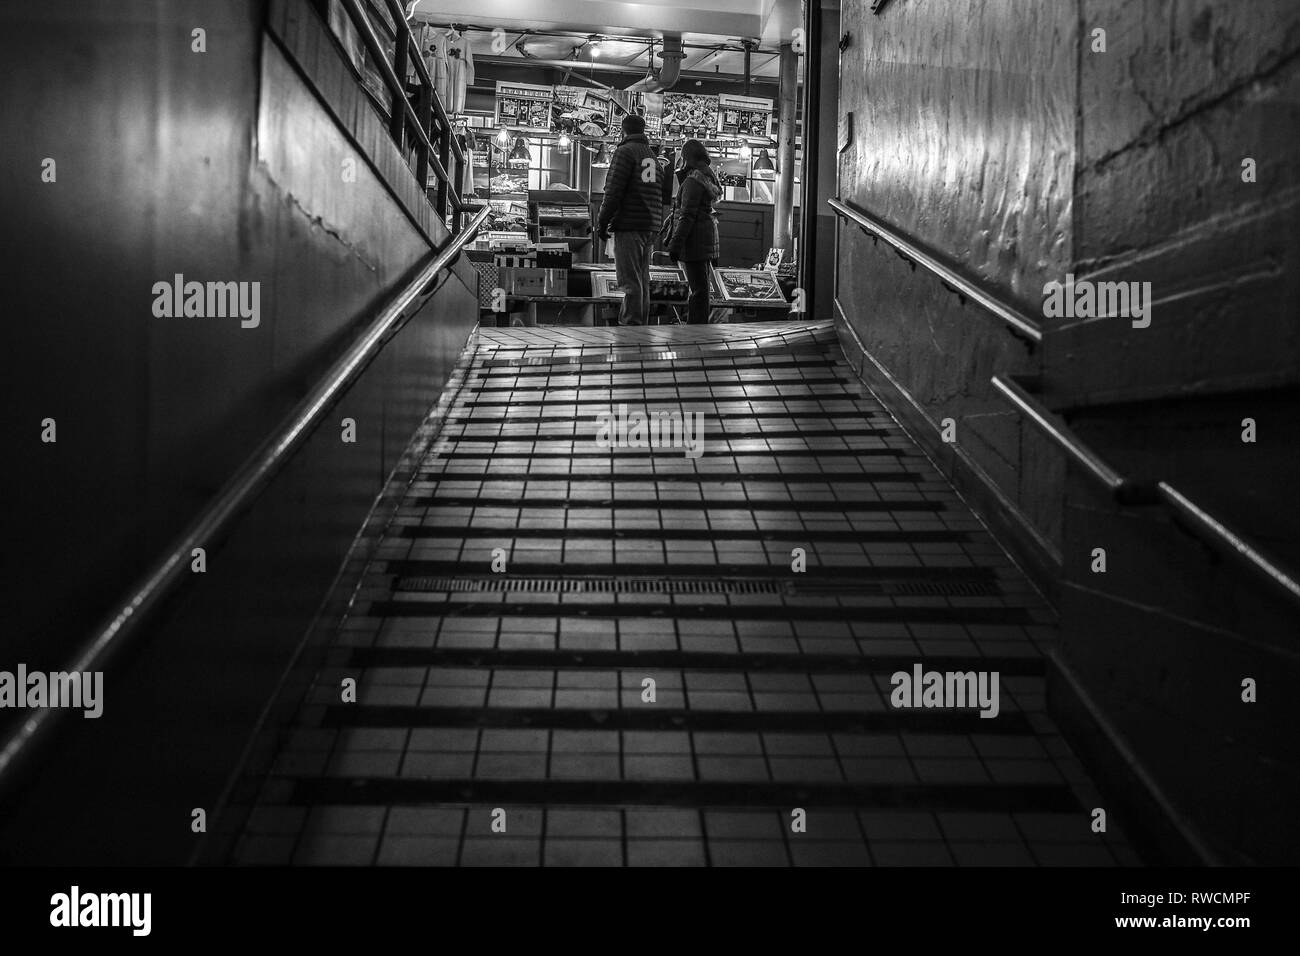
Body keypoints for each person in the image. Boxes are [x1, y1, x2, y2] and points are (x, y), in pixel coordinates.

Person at [596, 114, 662, 326]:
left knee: (629, 280)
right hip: (649, 225)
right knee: (642, 278)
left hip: (630, 224)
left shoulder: (625, 152)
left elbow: (613, 191)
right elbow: (654, 191)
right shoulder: (651, 156)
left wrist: (602, 221)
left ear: (623, 131)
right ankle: (640, 323)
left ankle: (631, 325)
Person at [666, 139, 722, 325]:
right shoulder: (706, 177)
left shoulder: (693, 181)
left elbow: (687, 215)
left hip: (694, 242)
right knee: (701, 289)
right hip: (704, 240)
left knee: (698, 291)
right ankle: (698, 326)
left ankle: (696, 329)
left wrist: (675, 244)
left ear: (687, 157)